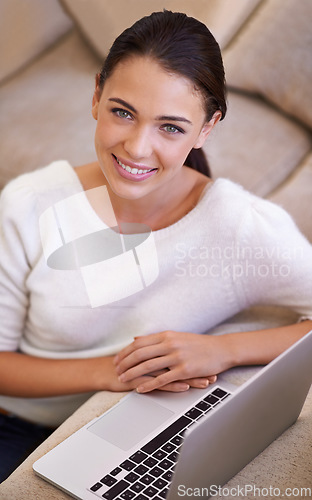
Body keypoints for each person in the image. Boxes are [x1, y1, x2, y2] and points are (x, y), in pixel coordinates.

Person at [0, 10, 311, 482]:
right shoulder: (28, 206)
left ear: (207, 128)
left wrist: (224, 350)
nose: (137, 148)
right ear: (96, 95)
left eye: (170, 127)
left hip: (135, 432)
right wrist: (111, 373)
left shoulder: (237, 225)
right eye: (123, 112)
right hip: (16, 425)